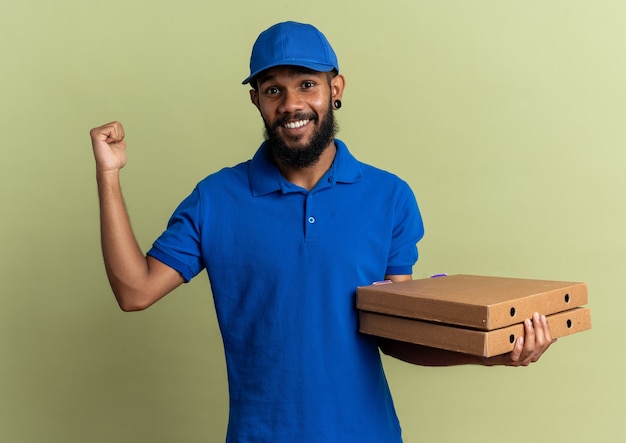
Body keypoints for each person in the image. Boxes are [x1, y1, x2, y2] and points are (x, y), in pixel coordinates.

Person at [90, 21, 554, 443]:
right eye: (273, 90)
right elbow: (135, 291)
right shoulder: (216, 199)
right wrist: (108, 175)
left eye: (307, 85)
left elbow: (395, 334)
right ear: (256, 101)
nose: (291, 104)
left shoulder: (388, 197)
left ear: (337, 89)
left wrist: (491, 353)